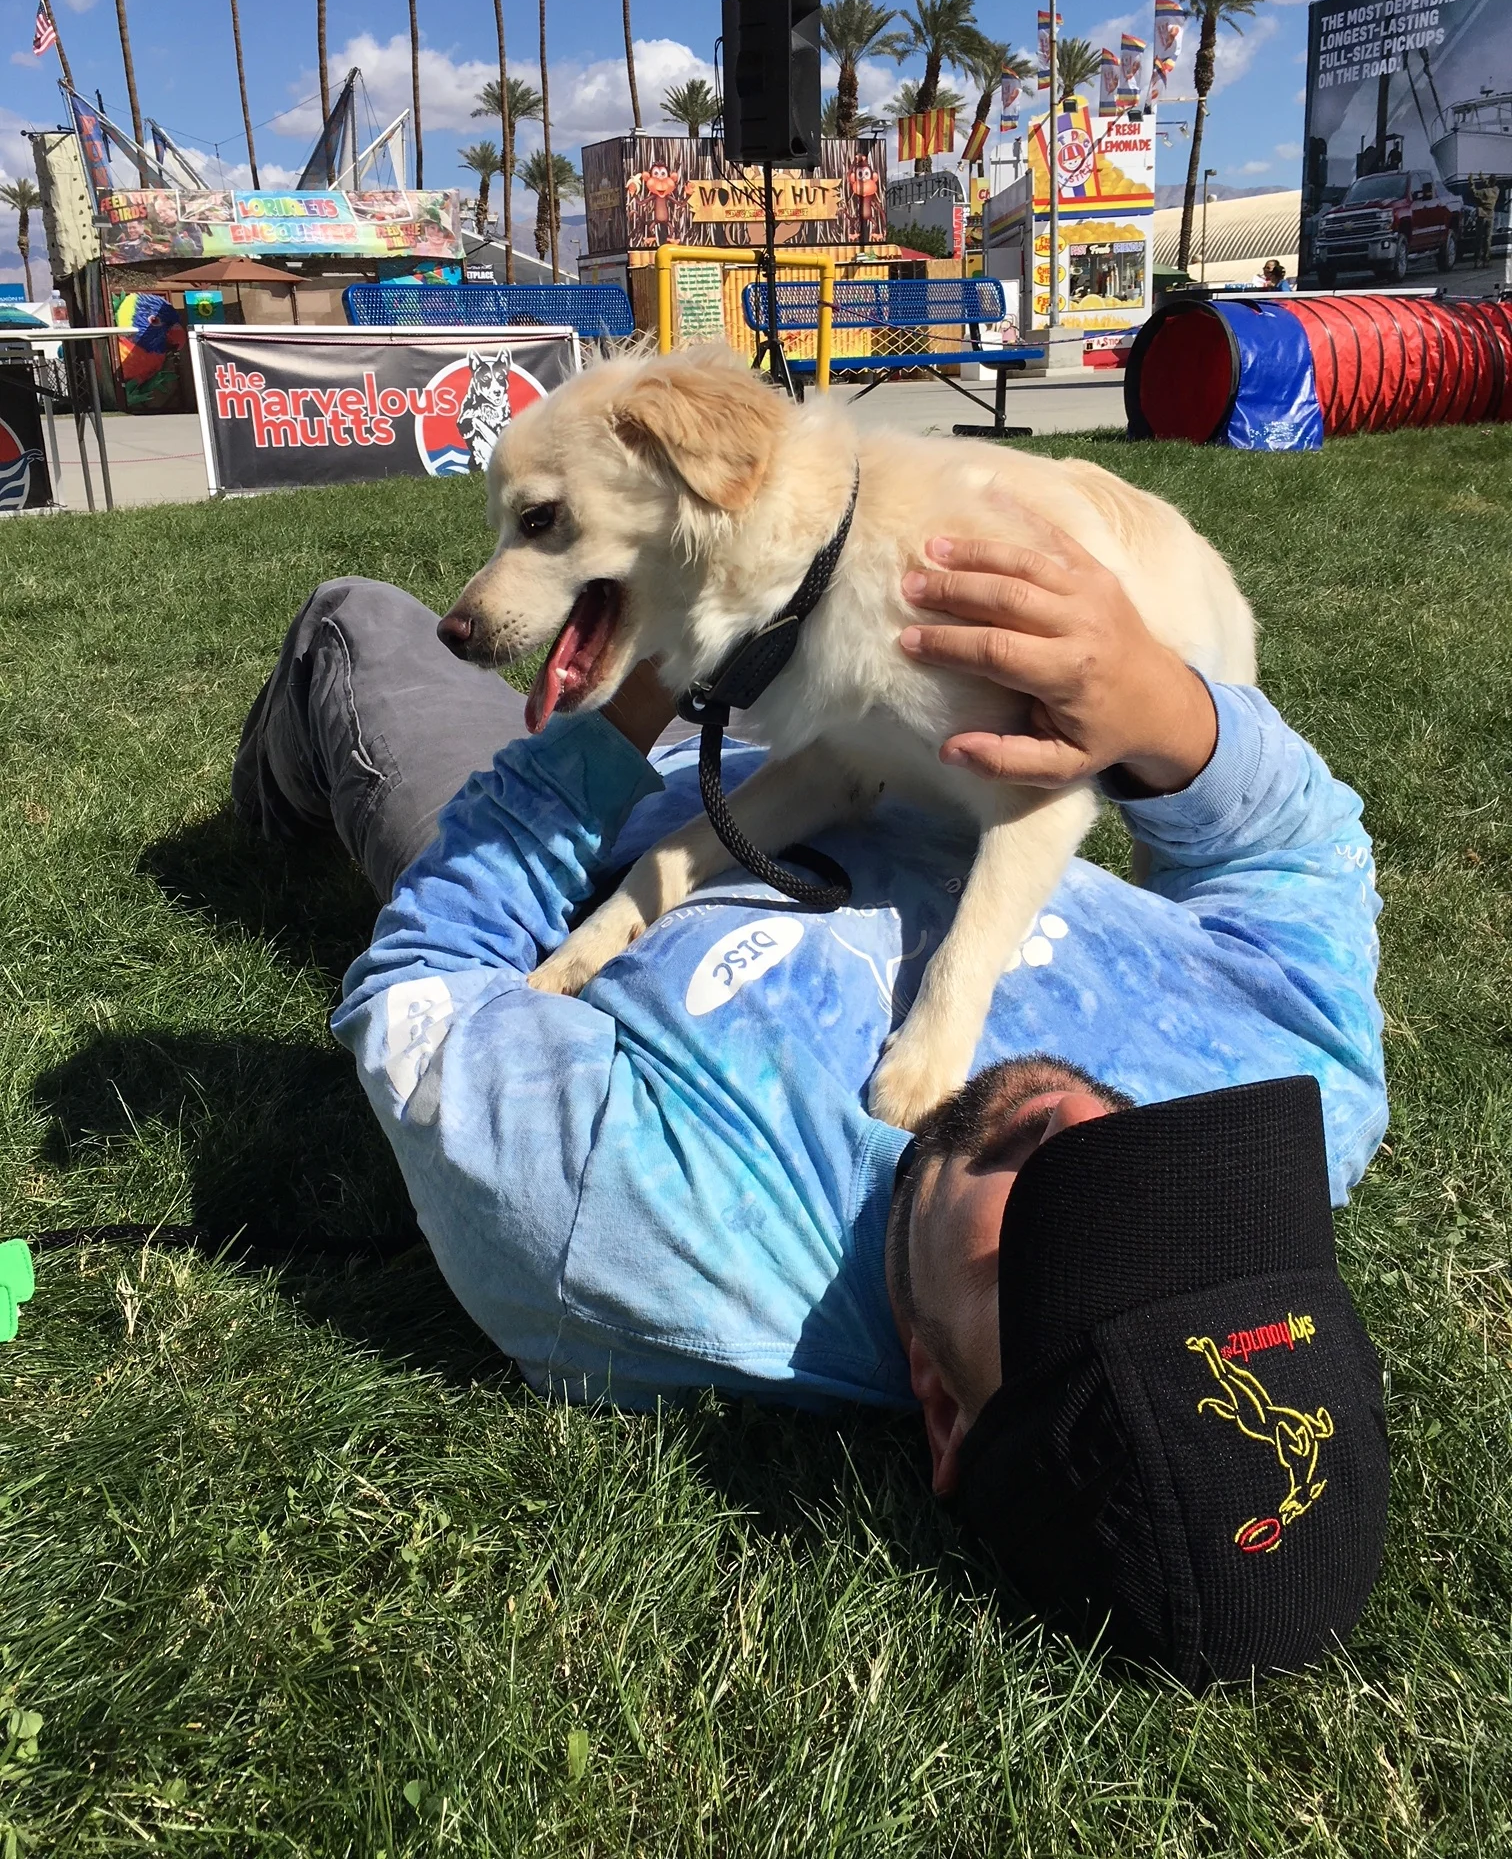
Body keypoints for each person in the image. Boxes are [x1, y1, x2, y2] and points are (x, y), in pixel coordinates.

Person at [234, 518, 1390, 1683]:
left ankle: (274, 776)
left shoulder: (646, 1233)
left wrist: (634, 696)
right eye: (1170, 1192)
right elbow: (1295, 854)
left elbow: (429, 984)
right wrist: (1163, 716)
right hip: (843, 718)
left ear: (945, 1412)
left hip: (597, 801)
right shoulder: (1303, 1103)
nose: (1083, 1128)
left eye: (1063, 1229)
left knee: (365, 623)